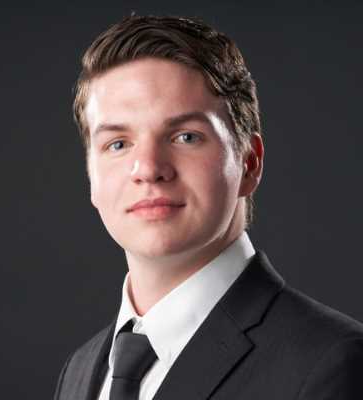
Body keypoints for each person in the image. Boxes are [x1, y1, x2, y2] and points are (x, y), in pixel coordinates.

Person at [54, 15, 363, 400]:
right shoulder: (80, 371)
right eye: (118, 144)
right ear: (91, 176)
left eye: (186, 137)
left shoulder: (335, 364)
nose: (148, 168)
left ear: (249, 162)